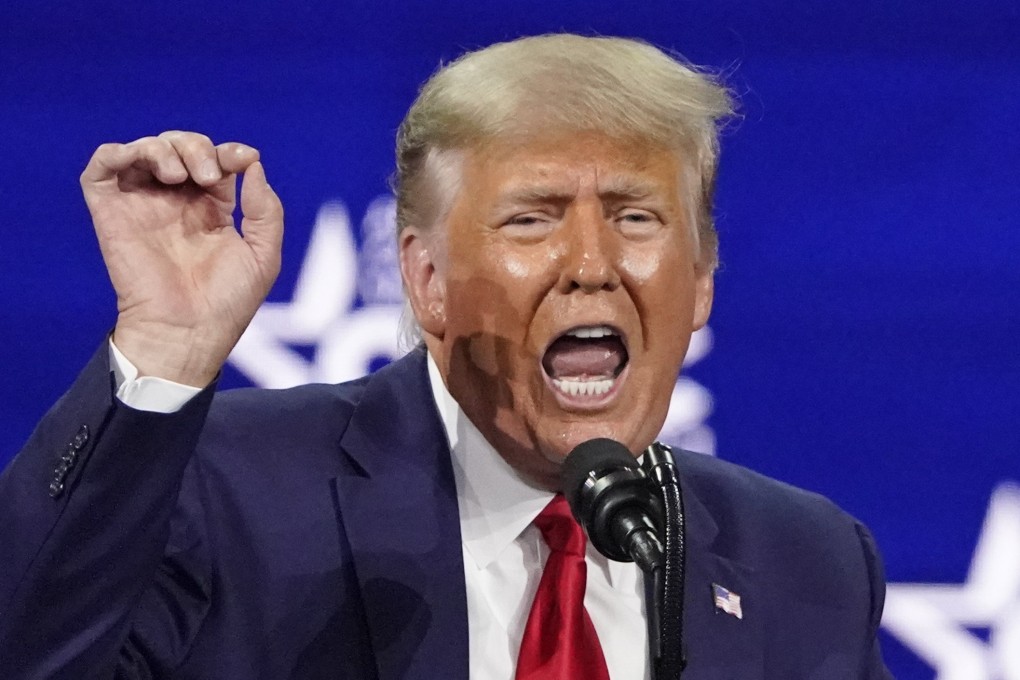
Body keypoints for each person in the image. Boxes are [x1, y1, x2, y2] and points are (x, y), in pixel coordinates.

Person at [0, 34, 891, 679]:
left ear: (699, 280)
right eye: (532, 218)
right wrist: (164, 348)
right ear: (426, 280)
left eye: (635, 217)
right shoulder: (227, 492)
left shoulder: (804, 563)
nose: (591, 265)